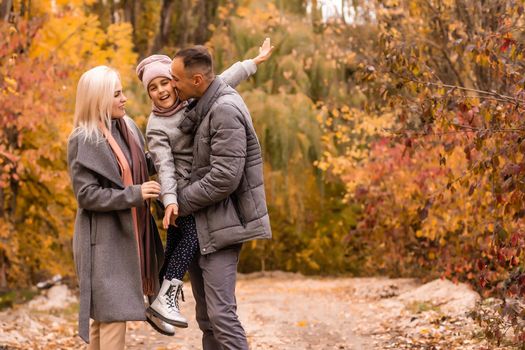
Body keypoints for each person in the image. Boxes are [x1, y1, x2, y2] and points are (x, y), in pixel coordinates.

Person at [138, 39, 273, 332]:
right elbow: (165, 167)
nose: (165, 88)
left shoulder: (197, 101)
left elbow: (223, 78)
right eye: (155, 86)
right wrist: (172, 200)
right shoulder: (157, 125)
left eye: (169, 81)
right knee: (180, 244)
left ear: (189, 82)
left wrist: (254, 62)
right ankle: (162, 297)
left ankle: (163, 297)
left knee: (181, 246)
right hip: (181, 190)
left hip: (194, 195)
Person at [67, 65, 167, 348]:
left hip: (131, 235)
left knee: (106, 321)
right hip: (102, 243)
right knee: (111, 317)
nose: (124, 99)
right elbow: (87, 196)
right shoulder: (82, 139)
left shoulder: (129, 127)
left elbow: (136, 168)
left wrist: (167, 155)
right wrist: (134, 194)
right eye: (117, 94)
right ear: (98, 99)